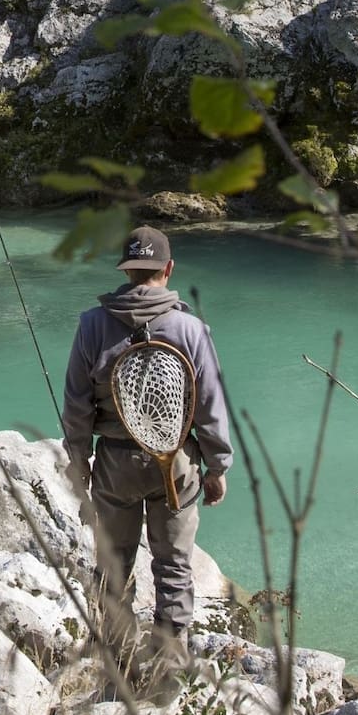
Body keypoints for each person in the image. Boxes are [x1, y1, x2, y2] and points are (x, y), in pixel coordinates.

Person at [61, 224, 232, 679]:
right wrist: (217, 466)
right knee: (174, 565)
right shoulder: (192, 329)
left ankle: (117, 657)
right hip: (176, 466)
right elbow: (210, 405)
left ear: (127, 271)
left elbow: (77, 407)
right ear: (168, 269)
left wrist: (79, 464)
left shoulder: (92, 326)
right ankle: (169, 662)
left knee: (113, 563)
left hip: (115, 463)